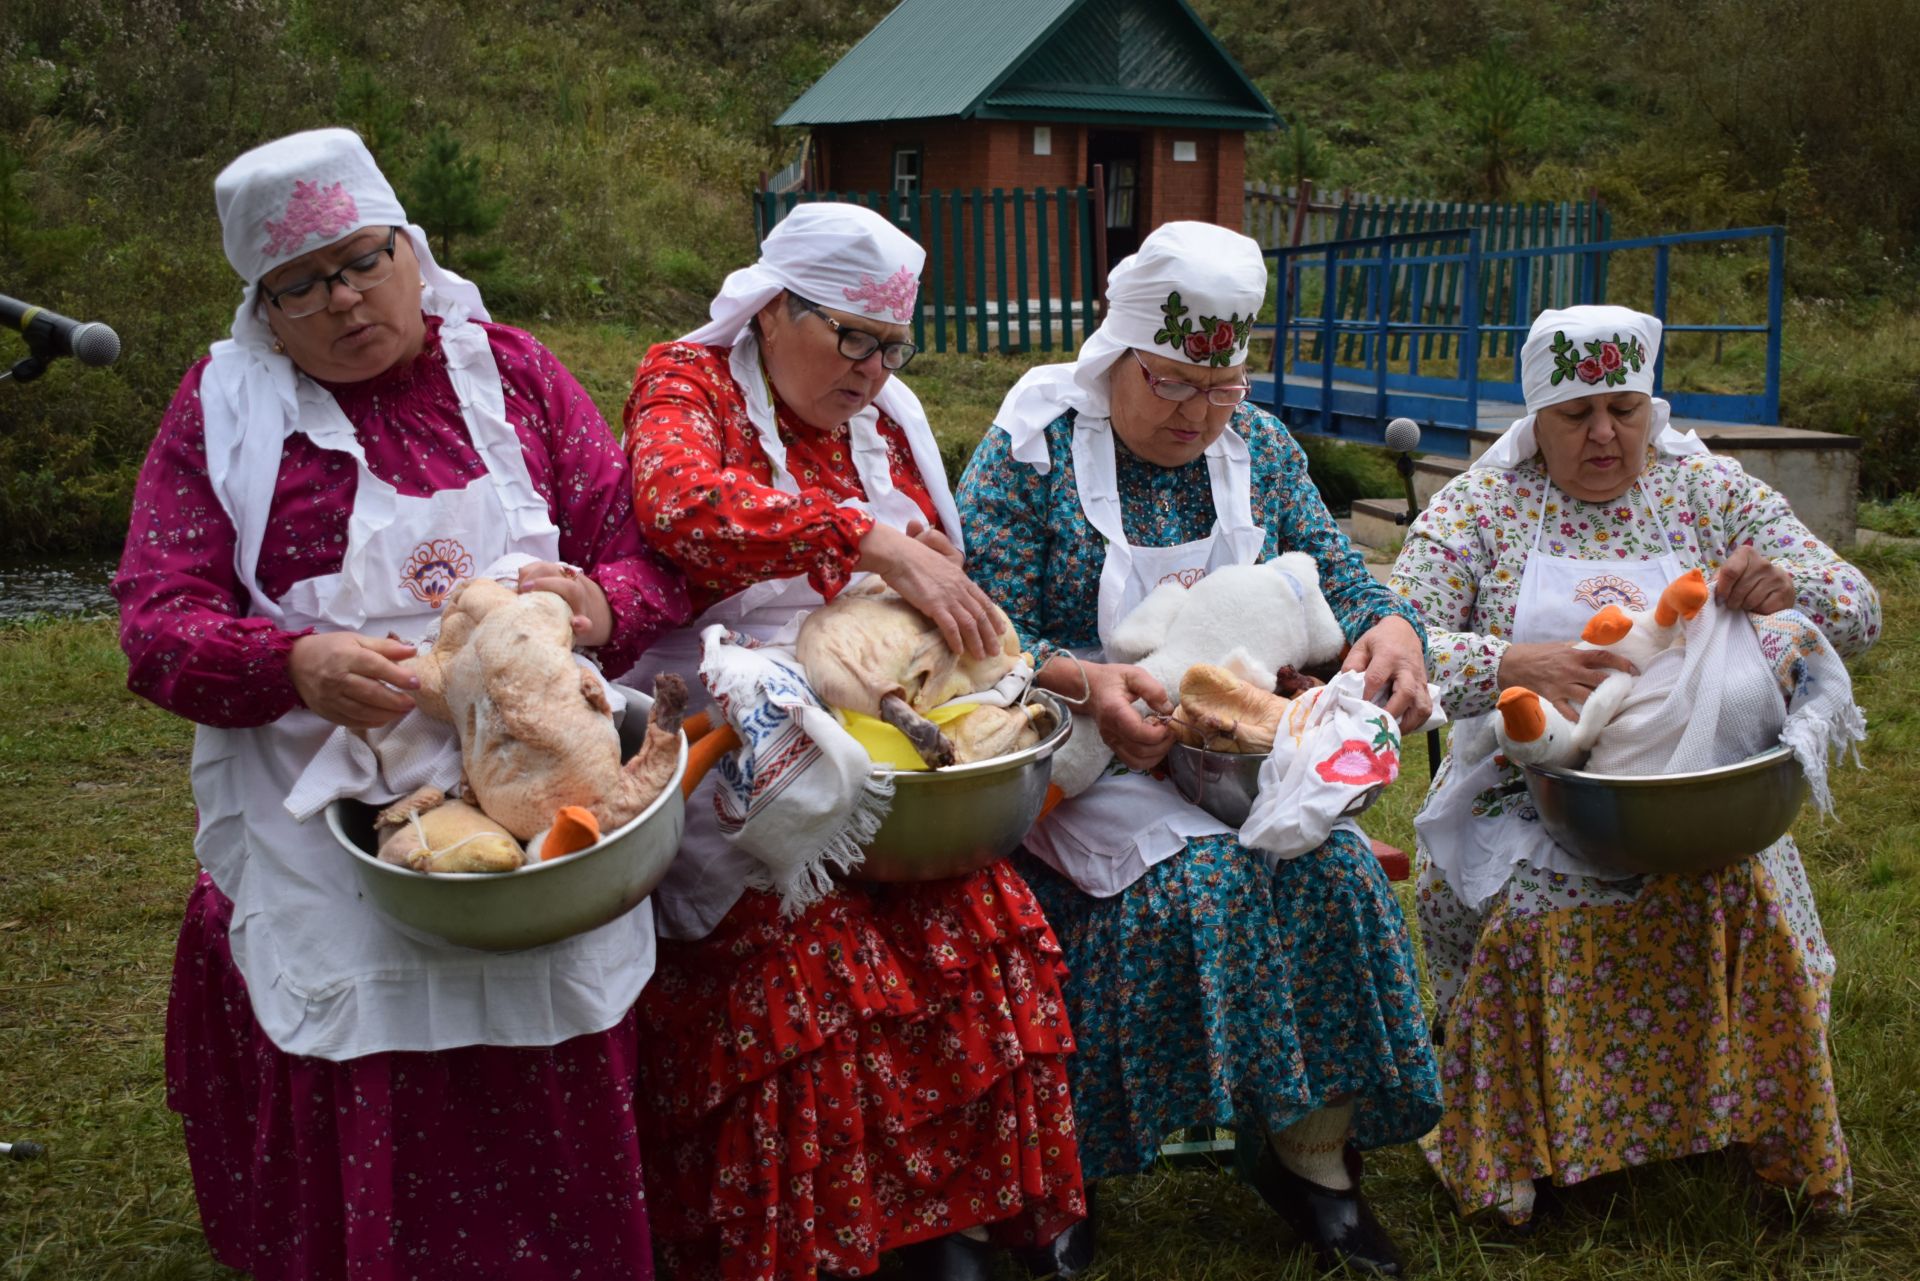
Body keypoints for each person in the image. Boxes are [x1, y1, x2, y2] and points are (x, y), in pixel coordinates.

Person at [112, 128, 689, 1279]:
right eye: (300, 284)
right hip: (328, 790)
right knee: (366, 1010)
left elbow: (644, 556)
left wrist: (594, 602)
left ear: (411, 251)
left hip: (541, 780)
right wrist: (291, 664)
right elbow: (153, 622)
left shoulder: (514, 372)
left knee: (550, 990)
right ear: (265, 309)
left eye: (363, 261)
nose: (343, 299)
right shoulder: (222, 418)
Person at [955, 221, 1441, 1278]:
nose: (1195, 416)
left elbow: (1339, 576)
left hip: (1228, 751)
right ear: (1117, 354)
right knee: (1203, 888)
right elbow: (980, 632)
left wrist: (1394, 626)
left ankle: (1312, 1159)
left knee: (1338, 876)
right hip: (1077, 749)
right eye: (1171, 385)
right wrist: (1089, 683)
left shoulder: (1255, 447)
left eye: (1219, 390)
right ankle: (1065, 1176)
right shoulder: (1032, 451)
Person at [619, 202, 1084, 1281]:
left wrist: (914, 562)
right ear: (775, 309)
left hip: (881, 699)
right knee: (809, 942)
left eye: (892, 346)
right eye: (852, 339)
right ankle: (837, 1235)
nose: (874, 370)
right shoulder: (687, 382)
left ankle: (952, 1216)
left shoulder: (889, 418)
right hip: (729, 711)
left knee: (977, 910)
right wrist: (863, 537)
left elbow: (932, 571)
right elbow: (681, 504)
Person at [1391, 304, 1882, 1224]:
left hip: (1696, 787)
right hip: (1533, 789)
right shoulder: (1482, 507)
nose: (1607, 435)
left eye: (1626, 408)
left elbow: (1860, 607)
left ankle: (1781, 1138)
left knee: (1754, 895)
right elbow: (1392, 644)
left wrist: (1789, 586)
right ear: (1534, 419)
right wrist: (1511, 662)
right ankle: (1511, 1157)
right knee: (1534, 916)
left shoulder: (1707, 489)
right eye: (1578, 416)